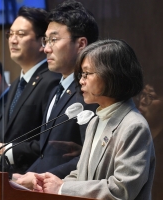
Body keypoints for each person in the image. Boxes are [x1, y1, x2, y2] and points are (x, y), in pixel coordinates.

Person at [32, 39, 155, 200]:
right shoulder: (95, 122)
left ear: (112, 74)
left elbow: (121, 189)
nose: (81, 81)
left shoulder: (134, 126)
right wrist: (52, 183)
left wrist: (62, 188)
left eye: (86, 74)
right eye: (80, 74)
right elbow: (83, 174)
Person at [13, 0, 99, 189]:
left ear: (81, 43)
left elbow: (91, 158)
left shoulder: (92, 93)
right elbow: (47, 154)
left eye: (54, 39)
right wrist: (25, 177)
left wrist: (39, 177)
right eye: (45, 40)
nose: (46, 48)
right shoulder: (55, 90)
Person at [0, 6, 61, 174]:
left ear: (43, 42)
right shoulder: (16, 84)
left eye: (21, 34)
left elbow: (49, 144)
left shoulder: (52, 81)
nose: (13, 40)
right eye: (10, 34)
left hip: (34, 180)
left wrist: (7, 150)